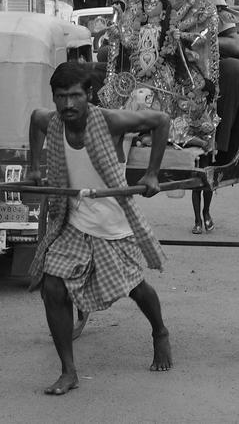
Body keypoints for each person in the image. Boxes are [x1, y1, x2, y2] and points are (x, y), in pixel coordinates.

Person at [28, 62, 172, 396]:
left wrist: (152, 173)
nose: (67, 105)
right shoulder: (50, 121)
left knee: (135, 289)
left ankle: (160, 331)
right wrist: (34, 167)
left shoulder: (110, 121)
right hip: (73, 220)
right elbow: (34, 120)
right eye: (61, 96)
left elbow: (161, 121)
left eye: (75, 96)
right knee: (53, 288)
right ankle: (68, 371)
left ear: (89, 95)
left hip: (112, 222)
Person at [136, 0, 239, 234]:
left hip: (198, 72)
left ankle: (218, 151)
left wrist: (187, 41)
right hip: (153, 74)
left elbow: (235, 44)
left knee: (235, 69)